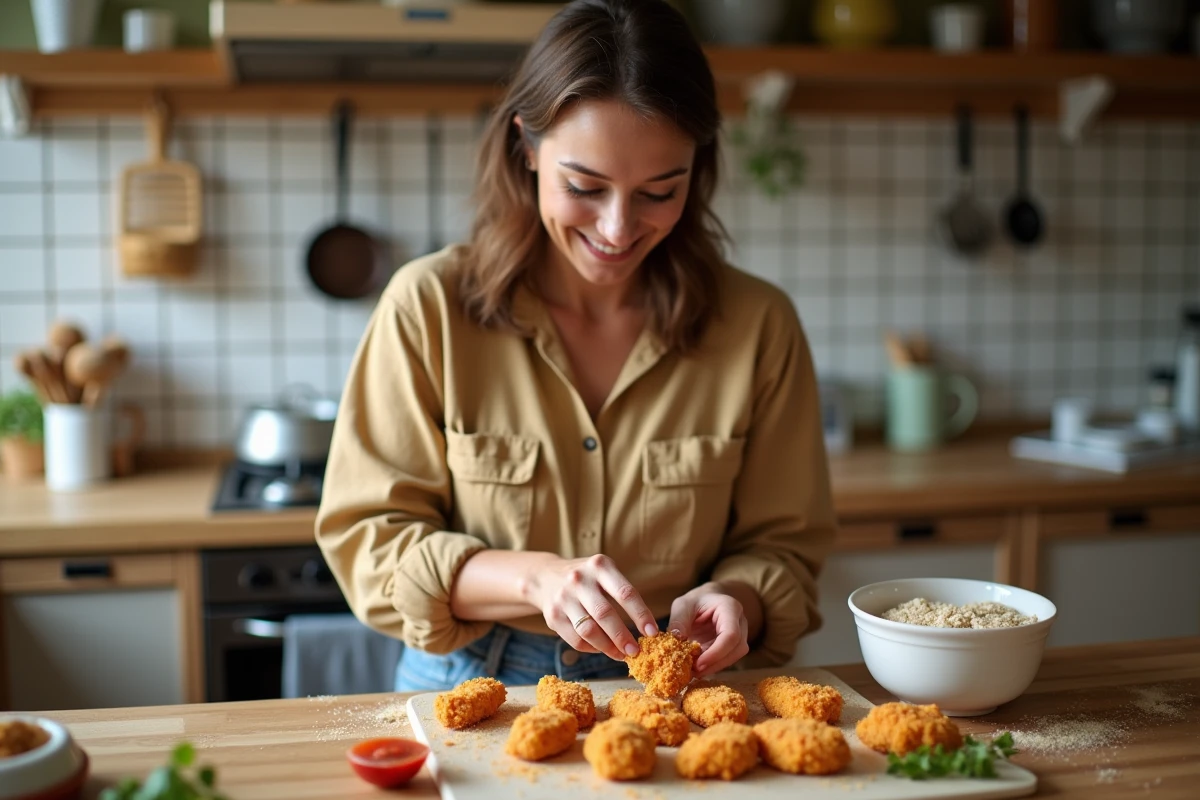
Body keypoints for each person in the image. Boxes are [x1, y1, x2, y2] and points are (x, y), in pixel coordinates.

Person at [315, 0, 837, 693]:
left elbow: (785, 546)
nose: (618, 229)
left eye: (659, 192)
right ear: (527, 147)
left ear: (698, 167)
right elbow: (371, 543)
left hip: (677, 685)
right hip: (473, 679)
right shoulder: (428, 307)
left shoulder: (758, 324)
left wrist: (740, 597)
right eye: (585, 187)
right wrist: (534, 579)